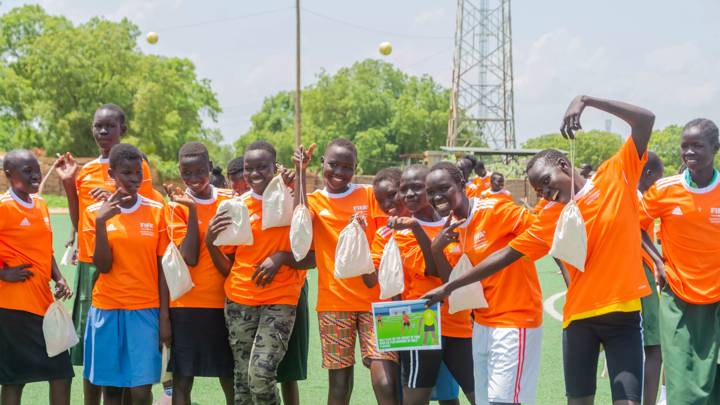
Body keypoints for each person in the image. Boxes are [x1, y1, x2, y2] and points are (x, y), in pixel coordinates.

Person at [425, 95, 656, 405]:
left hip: (623, 316)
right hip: (578, 321)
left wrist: (586, 100)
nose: (546, 193)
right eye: (539, 191)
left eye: (547, 182)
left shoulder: (615, 175)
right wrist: (450, 286)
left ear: (564, 164)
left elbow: (645, 120)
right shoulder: (550, 214)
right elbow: (506, 255)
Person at [53, 104, 161, 405]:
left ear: (121, 130)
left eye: (109, 126)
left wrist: (120, 196)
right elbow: (81, 220)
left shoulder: (139, 165)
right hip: (93, 262)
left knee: (133, 358)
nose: (102, 131)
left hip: (132, 262)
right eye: (97, 126)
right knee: (96, 347)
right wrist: (67, 185)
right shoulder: (85, 171)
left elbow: (146, 208)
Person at [205, 140, 314, 404]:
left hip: (280, 301)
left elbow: (310, 256)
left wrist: (280, 258)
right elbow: (227, 267)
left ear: (275, 168)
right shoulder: (237, 207)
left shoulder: (290, 199)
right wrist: (210, 242)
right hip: (239, 302)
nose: (254, 174)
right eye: (248, 168)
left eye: (262, 167)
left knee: (261, 375)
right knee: (242, 381)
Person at [425, 161, 543, 404]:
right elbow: (454, 284)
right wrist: (437, 250)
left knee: (505, 401)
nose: (437, 196)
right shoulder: (450, 229)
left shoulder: (496, 209)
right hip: (480, 324)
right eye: (431, 192)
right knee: (485, 400)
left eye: (443, 188)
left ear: (462, 185)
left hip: (514, 319)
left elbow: (543, 232)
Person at [293, 140, 399, 405]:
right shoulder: (314, 201)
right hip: (334, 303)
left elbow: (387, 236)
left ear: (356, 168)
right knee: (339, 385)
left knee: (385, 381)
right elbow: (299, 225)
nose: (339, 172)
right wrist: (300, 173)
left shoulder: (368, 195)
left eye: (347, 167)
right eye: (333, 164)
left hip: (378, 302)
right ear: (321, 164)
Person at [639, 119, 720, 405]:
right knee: (680, 376)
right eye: (685, 146)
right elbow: (634, 224)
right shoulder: (664, 189)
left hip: (717, 295)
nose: (689, 152)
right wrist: (657, 261)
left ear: (715, 147)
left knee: (713, 377)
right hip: (677, 294)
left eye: (697, 145)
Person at [82, 144, 171, 405]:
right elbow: (103, 266)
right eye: (126, 173)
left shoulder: (156, 211)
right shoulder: (93, 214)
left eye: (138, 173)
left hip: (145, 311)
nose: (134, 179)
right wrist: (101, 222)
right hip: (107, 309)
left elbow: (164, 267)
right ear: (111, 174)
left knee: (141, 391)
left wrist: (164, 316)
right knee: (111, 390)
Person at [389, 164, 475, 405]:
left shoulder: (460, 221)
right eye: (404, 189)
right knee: (417, 397)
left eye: (417, 187)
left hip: (459, 321)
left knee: (479, 393)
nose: (409, 194)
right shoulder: (403, 230)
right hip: (420, 321)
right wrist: (417, 228)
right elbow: (432, 270)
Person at [163, 142, 235, 405]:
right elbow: (189, 257)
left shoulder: (229, 200)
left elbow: (236, 254)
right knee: (182, 378)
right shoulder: (175, 206)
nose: (194, 179)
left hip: (224, 304)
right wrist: (192, 208)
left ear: (209, 166)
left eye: (200, 171)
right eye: (186, 173)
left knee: (230, 377)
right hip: (186, 305)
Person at [0, 150, 74, 405]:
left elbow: (46, 250)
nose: (35, 175)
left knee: (62, 372)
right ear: (9, 175)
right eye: (27, 171)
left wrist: (59, 277)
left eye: (36, 169)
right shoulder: (3, 206)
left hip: (44, 305)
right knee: (14, 379)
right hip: (13, 308)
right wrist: (3, 273)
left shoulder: (41, 204)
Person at [635, 151, 664, 405]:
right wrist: (658, 260)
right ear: (648, 174)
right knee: (654, 344)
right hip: (639, 272)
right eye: (657, 179)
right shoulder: (639, 199)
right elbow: (637, 231)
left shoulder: (621, 193)